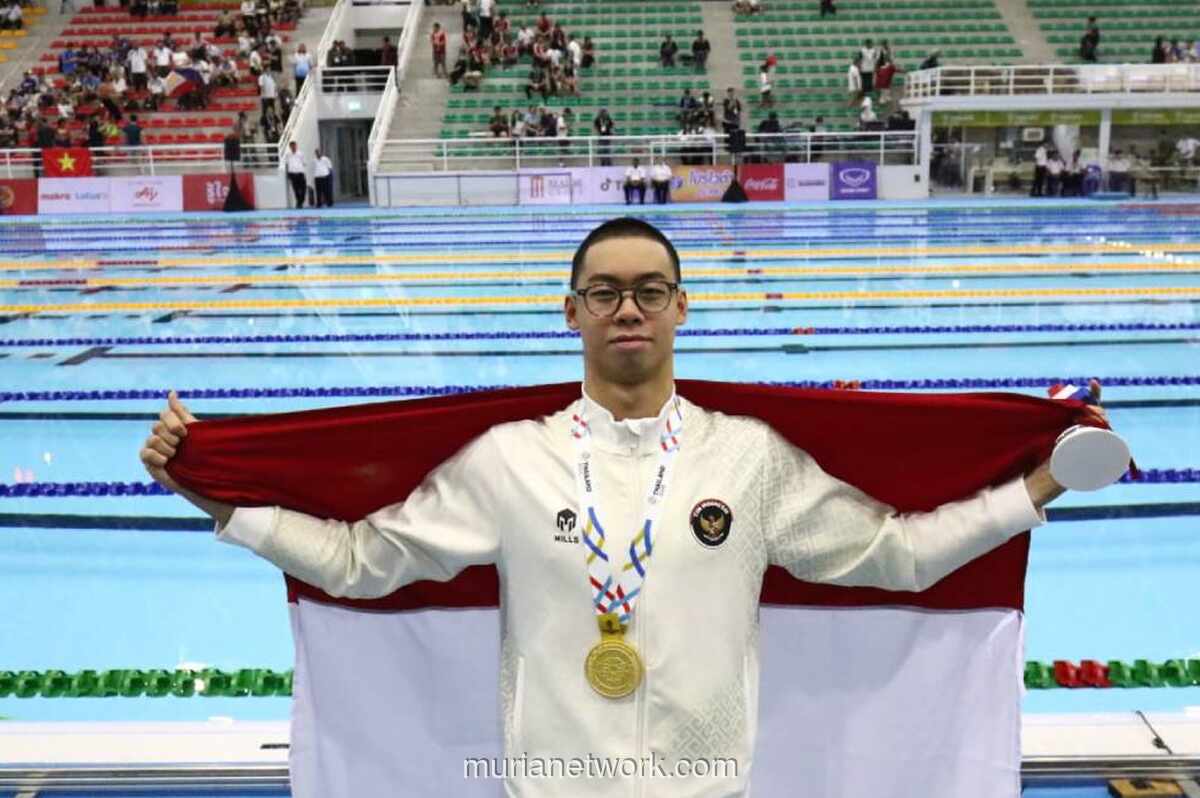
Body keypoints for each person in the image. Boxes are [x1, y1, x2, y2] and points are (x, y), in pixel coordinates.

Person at [142, 217, 1109, 798]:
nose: (628, 309)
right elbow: (361, 561)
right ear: (571, 313)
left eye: (649, 290)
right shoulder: (508, 462)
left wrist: (1038, 488)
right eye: (603, 293)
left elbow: (897, 555)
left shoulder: (750, 457)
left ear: (683, 307)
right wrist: (217, 502)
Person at [285, 140, 307, 208]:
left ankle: (301, 200)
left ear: (296, 146)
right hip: (292, 174)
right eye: (292, 146)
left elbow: (304, 163)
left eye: (294, 146)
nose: (293, 147)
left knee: (303, 188)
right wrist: (288, 173)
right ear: (290, 147)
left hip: (300, 173)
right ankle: (298, 202)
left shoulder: (301, 153)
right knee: (296, 189)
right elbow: (287, 164)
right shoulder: (288, 155)